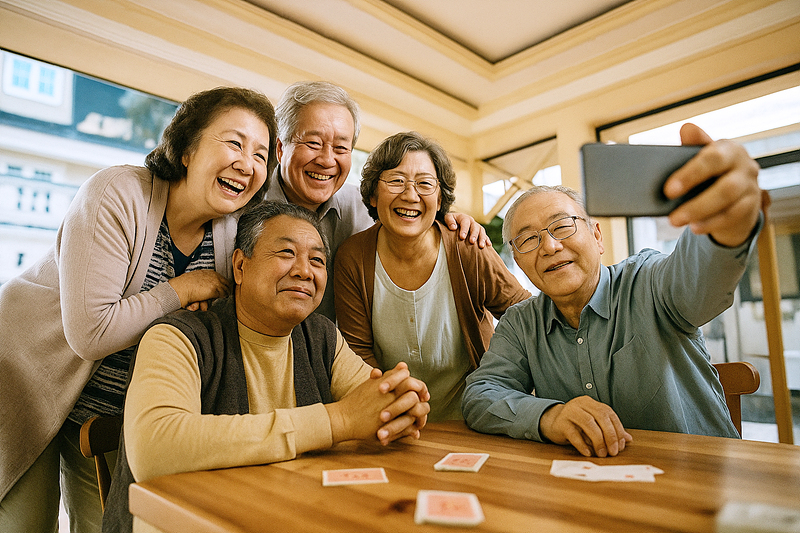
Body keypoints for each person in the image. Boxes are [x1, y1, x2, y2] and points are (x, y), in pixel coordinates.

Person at [0, 87, 278, 533]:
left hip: (106, 413)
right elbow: (91, 333)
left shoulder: (230, 232)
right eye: (234, 143)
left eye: (262, 154)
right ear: (187, 149)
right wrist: (182, 289)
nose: (248, 163)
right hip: (29, 375)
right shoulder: (117, 193)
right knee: (26, 525)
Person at [102, 201, 430, 533]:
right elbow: (155, 450)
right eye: (287, 254)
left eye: (317, 260)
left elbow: (373, 405)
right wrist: (337, 420)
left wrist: (401, 404)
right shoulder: (177, 337)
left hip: (277, 514)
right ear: (241, 266)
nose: (304, 270)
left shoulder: (321, 337)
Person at [462, 123, 764, 458]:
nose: (548, 246)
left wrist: (724, 228)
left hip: (701, 480)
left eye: (562, 226)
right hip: (593, 492)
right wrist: (550, 416)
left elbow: (700, 281)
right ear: (518, 257)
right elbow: (480, 394)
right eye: (529, 239)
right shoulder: (521, 323)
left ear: (597, 236)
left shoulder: (647, 281)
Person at [334, 132, 530, 421]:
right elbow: (359, 355)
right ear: (374, 195)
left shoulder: (467, 246)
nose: (410, 195)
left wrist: (501, 378)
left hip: (478, 420)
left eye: (425, 183)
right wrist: (398, 410)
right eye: (396, 180)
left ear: (440, 199)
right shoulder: (352, 257)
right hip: (395, 421)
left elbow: (525, 317)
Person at [264, 81, 490, 320]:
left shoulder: (365, 207)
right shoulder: (244, 204)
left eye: (341, 148)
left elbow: (412, 218)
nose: (327, 160)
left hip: (339, 352)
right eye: (313, 143)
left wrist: (447, 221)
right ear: (280, 148)